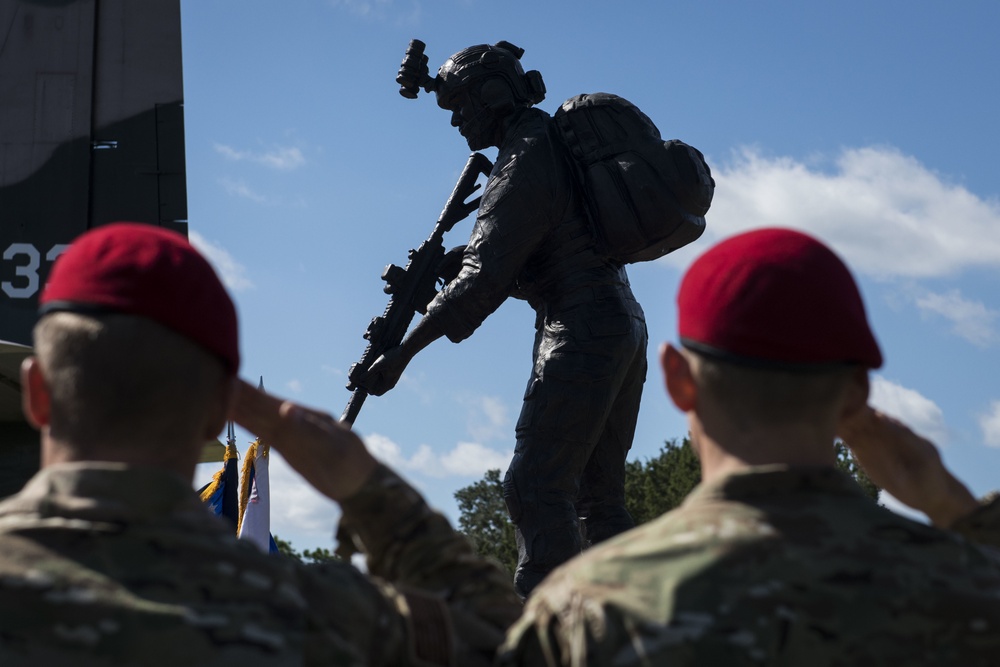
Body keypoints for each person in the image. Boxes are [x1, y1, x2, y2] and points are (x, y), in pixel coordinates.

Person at [0, 223, 520, 666]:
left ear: (37, 392)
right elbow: (512, 644)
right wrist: (368, 490)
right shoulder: (319, 617)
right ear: (215, 415)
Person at [499, 227, 1000, 666]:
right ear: (858, 393)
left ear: (677, 378)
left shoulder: (584, 612)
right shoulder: (968, 589)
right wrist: (953, 508)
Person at [359, 42, 648, 599]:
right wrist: (456, 266)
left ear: (493, 95)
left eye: (462, 107)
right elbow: (539, 256)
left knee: (534, 487)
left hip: (579, 328)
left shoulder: (523, 155)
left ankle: (547, 633)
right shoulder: (545, 143)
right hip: (617, 321)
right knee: (597, 499)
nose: (458, 121)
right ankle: (620, 629)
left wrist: (402, 354)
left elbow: (482, 280)